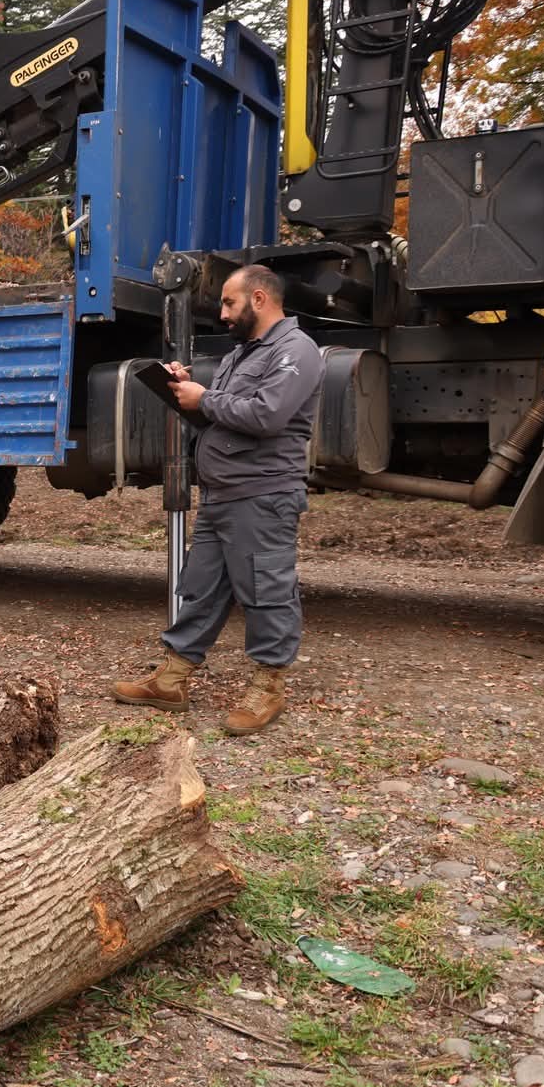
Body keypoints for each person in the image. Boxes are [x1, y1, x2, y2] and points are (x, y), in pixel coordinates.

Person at [113, 265, 321, 735]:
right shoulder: (242, 353)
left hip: (262, 493)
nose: (223, 314)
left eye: (229, 303)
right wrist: (181, 391)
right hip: (222, 492)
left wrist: (204, 398)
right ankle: (172, 679)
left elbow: (267, 416)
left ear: (259, 298)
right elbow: (224, 417)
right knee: (202, 586)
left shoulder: (295, 350)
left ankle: (268, 686)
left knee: (267, 591)